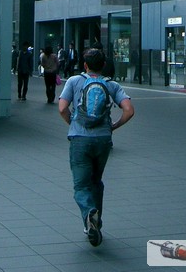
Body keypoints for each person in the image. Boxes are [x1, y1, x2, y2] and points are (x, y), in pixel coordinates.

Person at [59, 48, 134, 246]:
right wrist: (113, 126)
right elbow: (129, 110)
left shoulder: (74, 81)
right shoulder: (111, 85)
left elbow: (62, 108)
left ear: (85, 65)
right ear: (103, 66)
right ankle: (96, 222)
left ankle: (88, 213)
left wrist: (73, 123)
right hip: (102, 140)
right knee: (96, 181)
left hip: (79, 139)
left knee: (81, 185)